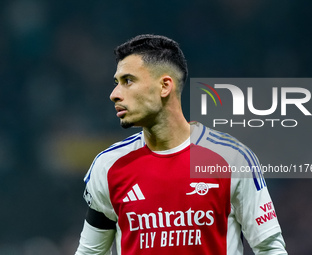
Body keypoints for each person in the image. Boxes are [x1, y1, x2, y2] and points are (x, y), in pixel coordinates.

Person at [75, 34, 287, 255]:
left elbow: (269, 247)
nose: (114, 95)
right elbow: (90, 253)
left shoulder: (232, 158)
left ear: (165, 86)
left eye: (128, 81)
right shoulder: (107, 167)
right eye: (116, 83)